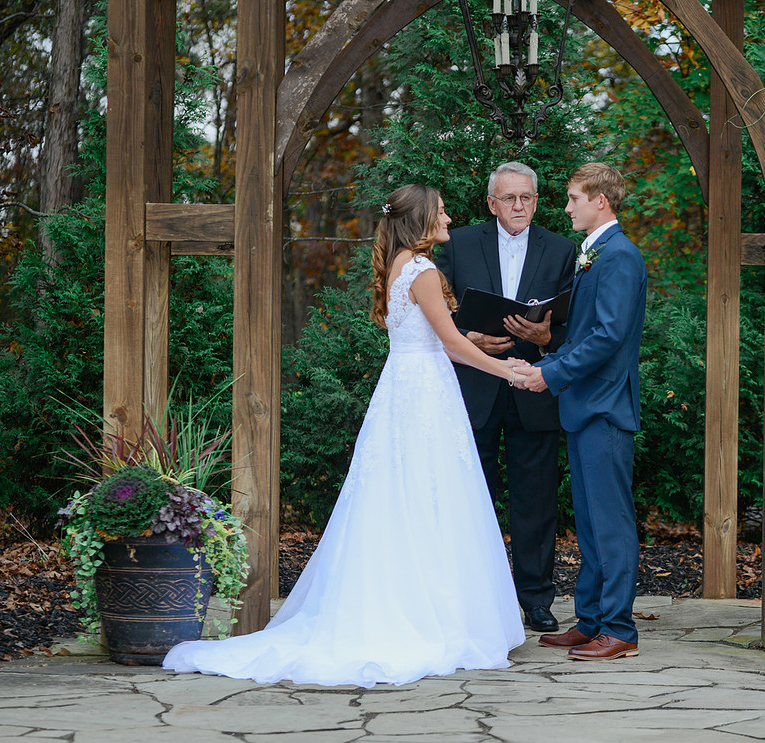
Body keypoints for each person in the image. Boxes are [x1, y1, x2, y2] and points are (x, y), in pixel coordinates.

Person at [163, 184, 526, 687]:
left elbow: (439, 341)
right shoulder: (423, 270)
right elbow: (450, 344)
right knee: (432, 493)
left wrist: (478, 349)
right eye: (441, 212)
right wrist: (509, 371)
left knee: (405, 495)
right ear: (420, 219)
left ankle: (417, 605)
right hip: (424, 395)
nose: (448, 218)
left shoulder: (399, 264)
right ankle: (436, 617)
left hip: (405, 389)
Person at [514, 163, 647, 661]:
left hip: (605, 406)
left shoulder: (620, 256)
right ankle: (591, 621)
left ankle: (619, 629)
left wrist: (551, 375)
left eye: (573, 198)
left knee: (611, 524)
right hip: (584, 405)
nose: (567, 207)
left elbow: (609, 336)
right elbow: (583, 333)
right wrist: (544, 365)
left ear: (600, 201)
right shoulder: (596, 253)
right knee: (590, 524)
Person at [437, 162, 577, 634]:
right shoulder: (458, 244)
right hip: (474, 387)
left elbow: (573, 324)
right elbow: (434, 314)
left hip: (533, 389)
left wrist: (545, 337)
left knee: (536, 500)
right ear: (491, 203)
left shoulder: (561, 250)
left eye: (527, 198)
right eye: (510, 198)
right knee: (471, 498)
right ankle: (472, 600)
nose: (519, 206)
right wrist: (468, 340)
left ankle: (536, 600)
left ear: (536, 201)